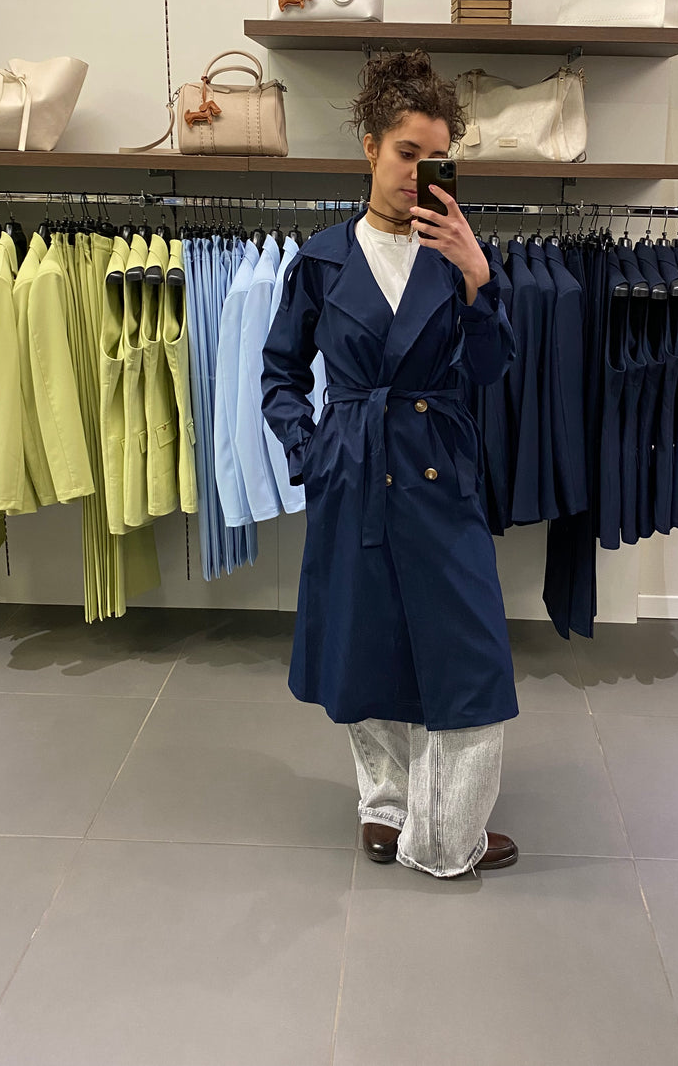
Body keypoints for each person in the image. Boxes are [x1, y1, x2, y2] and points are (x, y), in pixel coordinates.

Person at [261, 50, 519, 877]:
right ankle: (387, 807)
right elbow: (279, 372)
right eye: (408, 152)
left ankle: (445, 836)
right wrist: (312, 450)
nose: (419, 173)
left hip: (438, 468)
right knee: (366, 644)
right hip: (355, 470)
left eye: (437, 157)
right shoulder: (322, 257)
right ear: (370, 147)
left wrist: (479, 278)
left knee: (468, 655)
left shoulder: (458, 254)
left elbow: (490, 369)